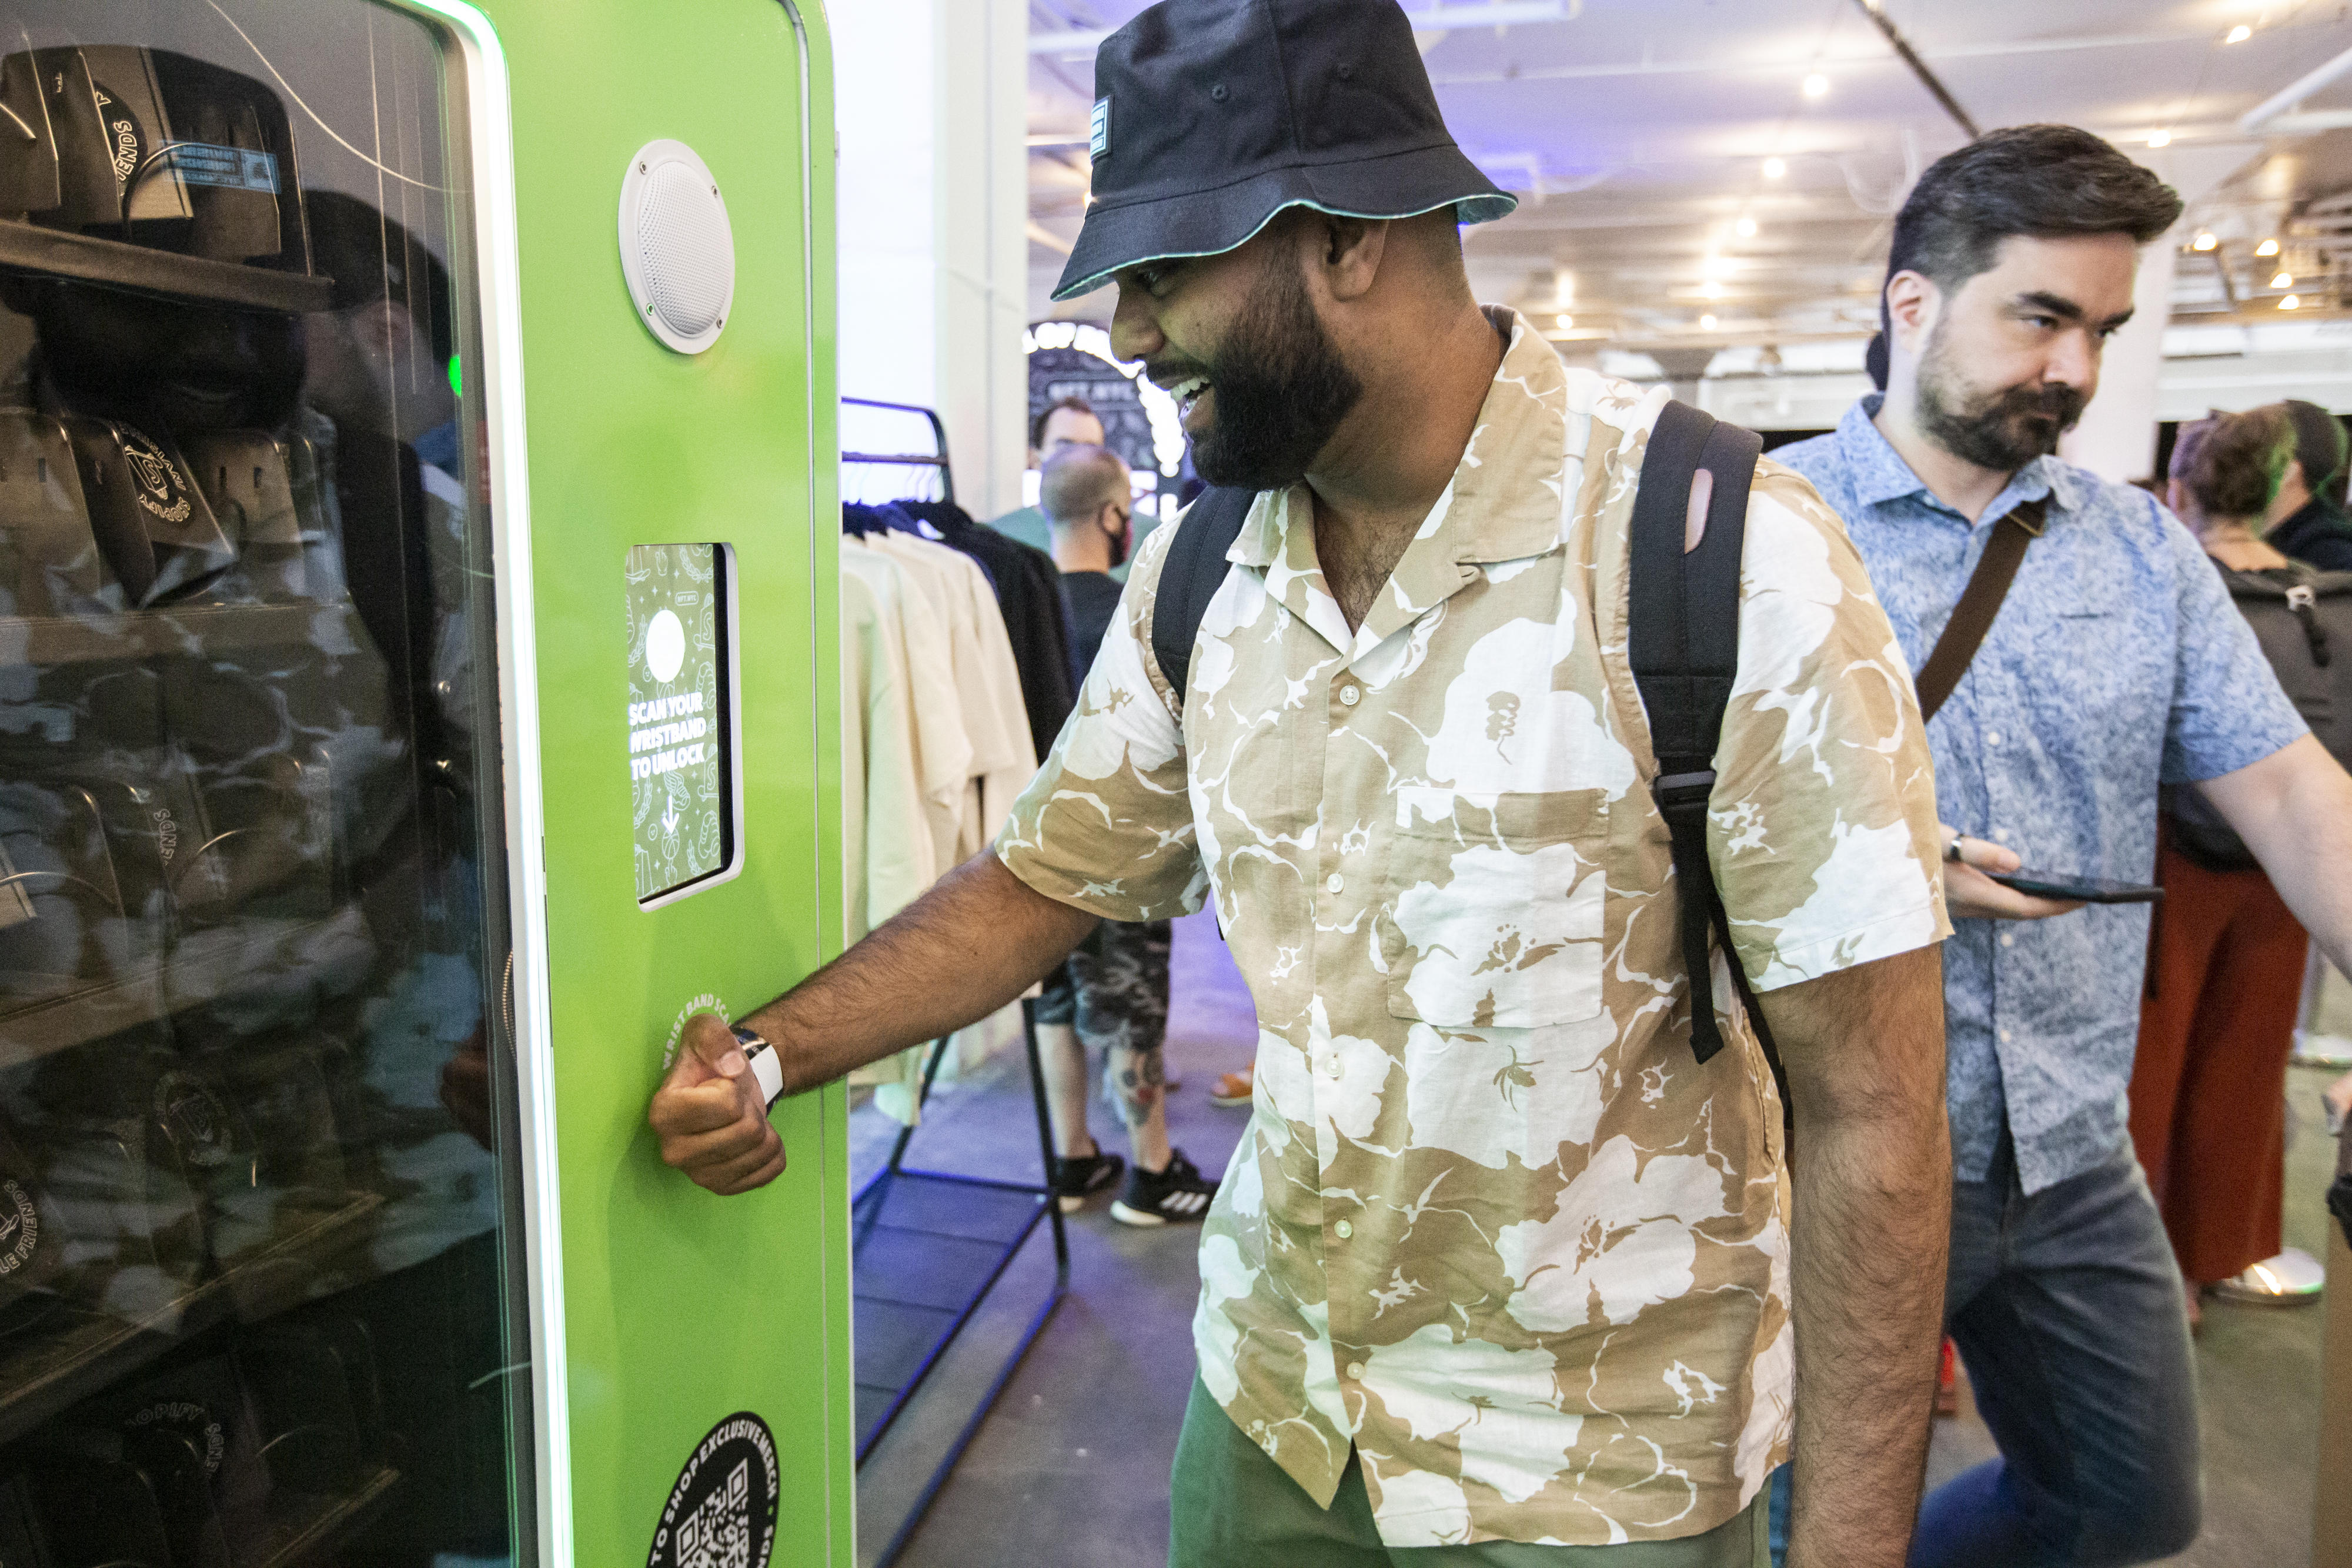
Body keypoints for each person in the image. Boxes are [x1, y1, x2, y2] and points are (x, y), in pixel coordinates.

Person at [652, 2, 1957, 1564]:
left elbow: (1878, 1104)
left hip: (1591, 1479)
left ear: (1346, 239)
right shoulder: (1205, 564)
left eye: (1161, 270)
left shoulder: (1720, 552)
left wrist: (1855, 1548)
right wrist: (768, 1054)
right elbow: (1043, 879)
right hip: (1273, 1417)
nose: (1130, 331)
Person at [1777, 125, 2352, 1568]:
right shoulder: (1760, 535)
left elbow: (2289, 794)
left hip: (2074, 1150)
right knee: (1804, 1537)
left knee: (2126, 1506)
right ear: (1913, 303)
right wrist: (1896, 865)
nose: (2078, 373)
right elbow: (1644, 846)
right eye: (2039, 318)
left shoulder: (2138, 549)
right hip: (1833, 1153)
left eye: (2101, 330)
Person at [2132, 407, 2328, 1325]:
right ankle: (2207, 1263)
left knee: (2149, 1069)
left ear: (2182, 484)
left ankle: (2144, 1273)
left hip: (2170, 855)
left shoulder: (2167, 585)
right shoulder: (2324, 594)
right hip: (2287, 868)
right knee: (2246, 1069)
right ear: (2284, 484)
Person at [1031, 443, 1220, 1225]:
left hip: (1032, 850)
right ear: (1114, 514)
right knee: (1130, 1012)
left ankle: (1073, 1158)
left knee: (1056, 1002)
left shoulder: (1020, 609)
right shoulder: (1129, 615)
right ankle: (1150, 1170)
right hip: (1119, 852)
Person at [993, 395, 1109, 555]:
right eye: (1065, 447)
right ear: (1035, 459)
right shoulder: (999, 539)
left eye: (1090, 449)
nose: (1079, 458)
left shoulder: (1142, 541)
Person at [2259, 399, 2352, 571]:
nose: (2238, 466)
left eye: (2254, 453)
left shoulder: (2331, 553)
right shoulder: (2287, 535)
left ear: (2288, 470)